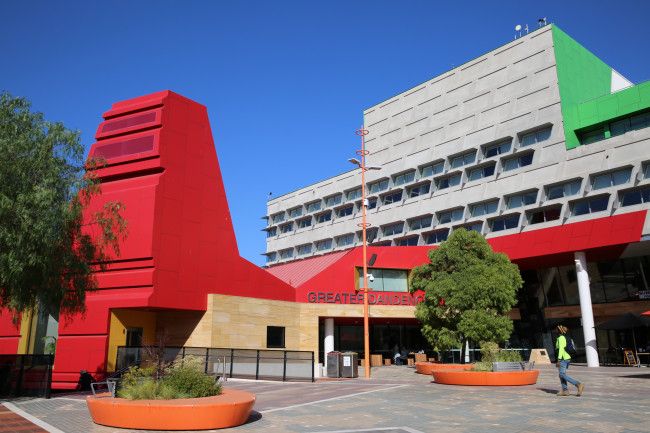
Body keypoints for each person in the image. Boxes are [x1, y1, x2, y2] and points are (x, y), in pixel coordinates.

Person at [555, 325, 585, 396]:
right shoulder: (563, 337)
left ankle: (578, 384)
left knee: (562, 374)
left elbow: (561, 349)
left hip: (563, 358)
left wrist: (559, 360)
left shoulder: (561, 338)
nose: (555, 331)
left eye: (556, 330)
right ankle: (565, 391)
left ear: (559, 331)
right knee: (561, 375)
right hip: (565, 358)